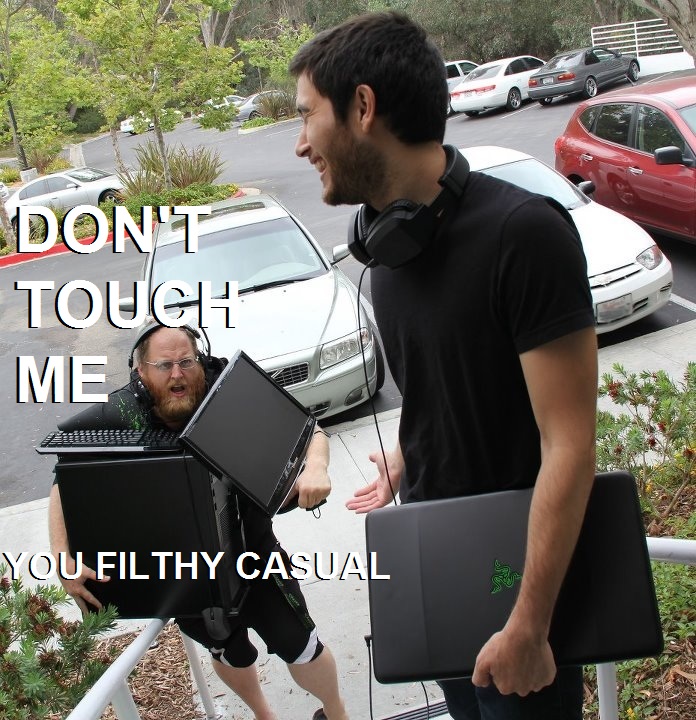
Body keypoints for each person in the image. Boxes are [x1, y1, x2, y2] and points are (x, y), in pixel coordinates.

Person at [290, 11, 597, 720]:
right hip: (441, 562)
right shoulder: (388, 256)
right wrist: (409, 453)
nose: (301, 143)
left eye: (307, 115)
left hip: (521, 586)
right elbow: (454, 381)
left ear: (362, 107)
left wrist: (530, 625)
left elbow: (570, 445)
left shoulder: (524, 234)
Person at [48, 322, 348, 720]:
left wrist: (316, 467)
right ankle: (264, 716)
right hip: (187, 568)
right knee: (228, 650)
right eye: (164, 365)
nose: (177, 374)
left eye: (186, 362)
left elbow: (309, 429)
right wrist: (62, 556)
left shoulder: (228, 386)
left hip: (254, 550)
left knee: (299, 641)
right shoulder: (122, 412)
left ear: (200, 360)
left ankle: (337, 712)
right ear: (140, 372)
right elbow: (65, 475)